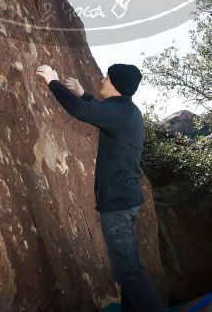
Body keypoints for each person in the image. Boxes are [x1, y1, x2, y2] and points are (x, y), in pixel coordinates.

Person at [36, 63, 165, 312]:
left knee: (129, 271)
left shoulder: (121, 113)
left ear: (116, 86)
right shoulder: (124, 110)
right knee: (128, 267)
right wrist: (83, 93)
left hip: (118, 204)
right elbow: (96, 109)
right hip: (124, 200)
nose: (102, 79)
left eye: (107, 77)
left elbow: (81, 112)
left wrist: (53, 81)